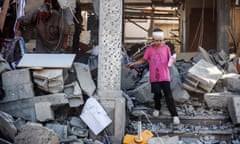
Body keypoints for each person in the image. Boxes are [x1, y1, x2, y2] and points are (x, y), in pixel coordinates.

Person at [126, 28, 180, 125]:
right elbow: (144, 60)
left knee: (169, 96)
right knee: (157, 94)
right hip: (154, 76)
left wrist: (173, 60)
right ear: (153, 40)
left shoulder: (166, 48)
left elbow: (170, 60)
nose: (158, 42)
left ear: (162, 40)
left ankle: (175, 115)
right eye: (156, 40)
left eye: (160, 40)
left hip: (165, 76)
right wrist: (133, 64)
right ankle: (157, 109)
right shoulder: (149, 50)